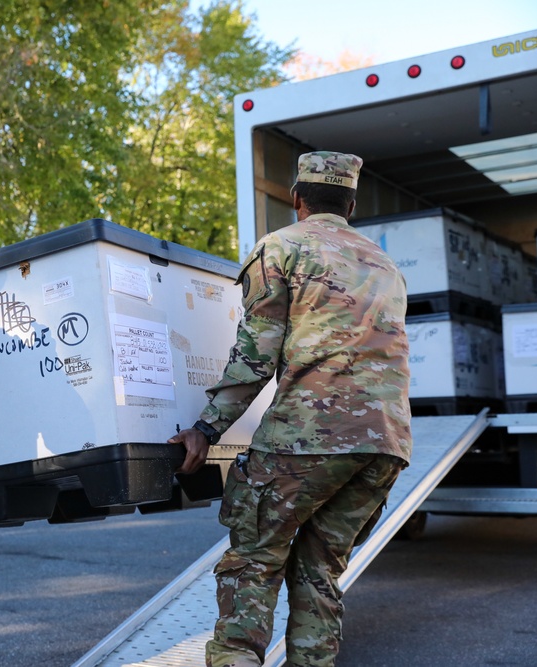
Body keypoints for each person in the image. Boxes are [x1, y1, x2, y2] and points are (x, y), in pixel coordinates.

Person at [169, 151, 412, 667]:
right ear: (350, 202)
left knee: (253, 563)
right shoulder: (385, 264)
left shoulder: (282, 248)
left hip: (310, 436)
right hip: (385, 444)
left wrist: (205, 429)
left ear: (297, 199)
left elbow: (256, 353)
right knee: (319, 573)